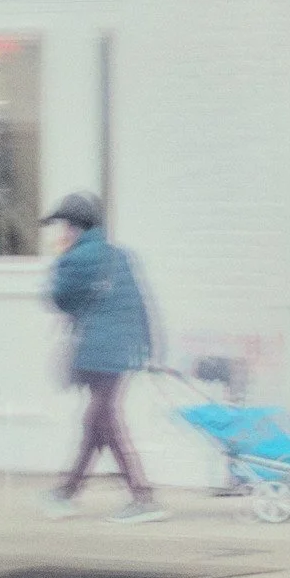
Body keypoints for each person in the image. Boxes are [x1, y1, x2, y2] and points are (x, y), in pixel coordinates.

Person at [38, 193, 168, 523]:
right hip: (124, 350)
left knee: (105, 421)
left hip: (97, 352)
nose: (60, 233)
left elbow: (57, 300)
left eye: (64, 226)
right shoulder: (120, 256)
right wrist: (150, 348)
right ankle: (66, 493)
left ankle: (143, 497)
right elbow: (141, 304)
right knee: (96, 422)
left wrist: (59, 261)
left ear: (76, 227)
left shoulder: (75, 259)